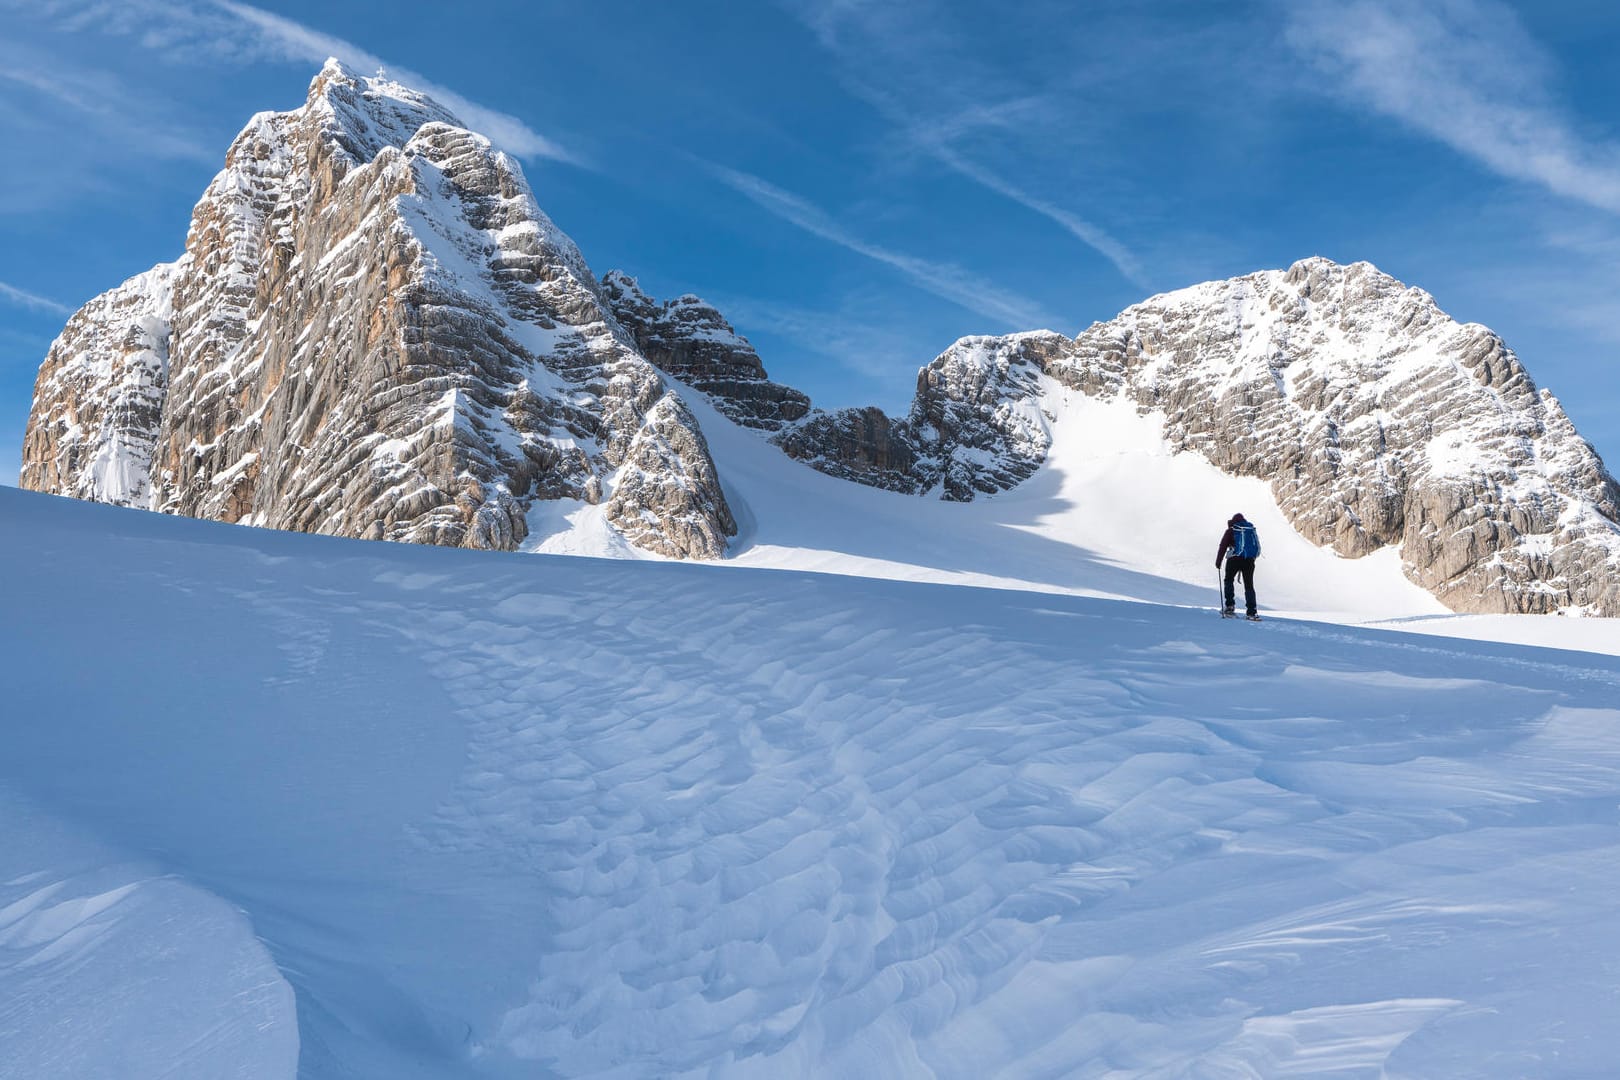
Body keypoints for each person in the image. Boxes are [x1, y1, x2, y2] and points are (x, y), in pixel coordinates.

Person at [1216, 513, 1261, 619]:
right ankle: (1251, 611)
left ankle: (1230, 606)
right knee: (1249, 585)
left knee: (1229, 580)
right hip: (1249, 561)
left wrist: (1218, 562)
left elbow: (1223, 546)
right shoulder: (1249, 530)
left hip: (1234, 559)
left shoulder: (1231, 530)